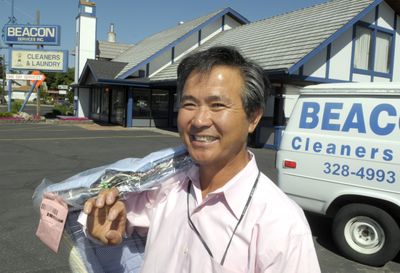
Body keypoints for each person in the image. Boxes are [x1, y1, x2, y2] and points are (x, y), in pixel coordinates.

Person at [82, 46, 321, 273]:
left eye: (217, 105)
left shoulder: (281, 222)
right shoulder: (165, 184)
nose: (198, 120)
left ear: (254, 117)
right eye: (189, 104)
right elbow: (113, 219)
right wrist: (103, 223)